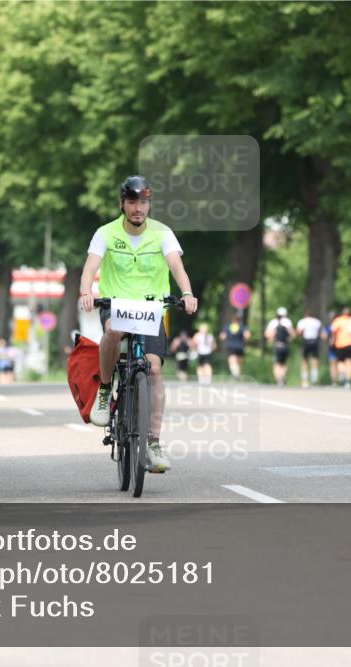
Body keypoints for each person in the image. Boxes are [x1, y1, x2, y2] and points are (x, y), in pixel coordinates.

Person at [79, 175, 198, 473]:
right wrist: (86, 292)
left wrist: (186, 293)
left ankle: (154, 442)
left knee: (154, 368)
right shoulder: (105, 233)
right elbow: (90, 267)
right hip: (116, 304)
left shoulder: (163, 233)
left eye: (143, 202)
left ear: (149, 204)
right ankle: (105, 391)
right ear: (122, 204)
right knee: (112, 331)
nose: (138, 208)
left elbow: (177, 266)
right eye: (132, 202)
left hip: (151, 309)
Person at [265, 307, 295, 386]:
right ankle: (283, 376)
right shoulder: (287, 322)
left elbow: (267, 334)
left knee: (277, 363)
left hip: (277, 345)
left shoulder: (273, 322)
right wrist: (288, 340)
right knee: (284, 363)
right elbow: (293, 334)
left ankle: (279, 379)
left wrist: (272, 340)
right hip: (285, 346)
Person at [328, 307, 351, 388]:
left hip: (340, 344)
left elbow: (333, 331)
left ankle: (343, 374)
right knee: (349, 361)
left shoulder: (338, 320)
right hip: (350, 343)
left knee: (340, 361)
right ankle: (348, 380)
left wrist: (332, 340)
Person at [296, 309, 323, 387]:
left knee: (304, 360)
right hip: (314, 341)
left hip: (306, 341)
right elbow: (320, 332)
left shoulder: (302, 321)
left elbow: (299, 332)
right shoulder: (316, 322)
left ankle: (305, 380)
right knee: (315, 360)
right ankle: (314, 379)